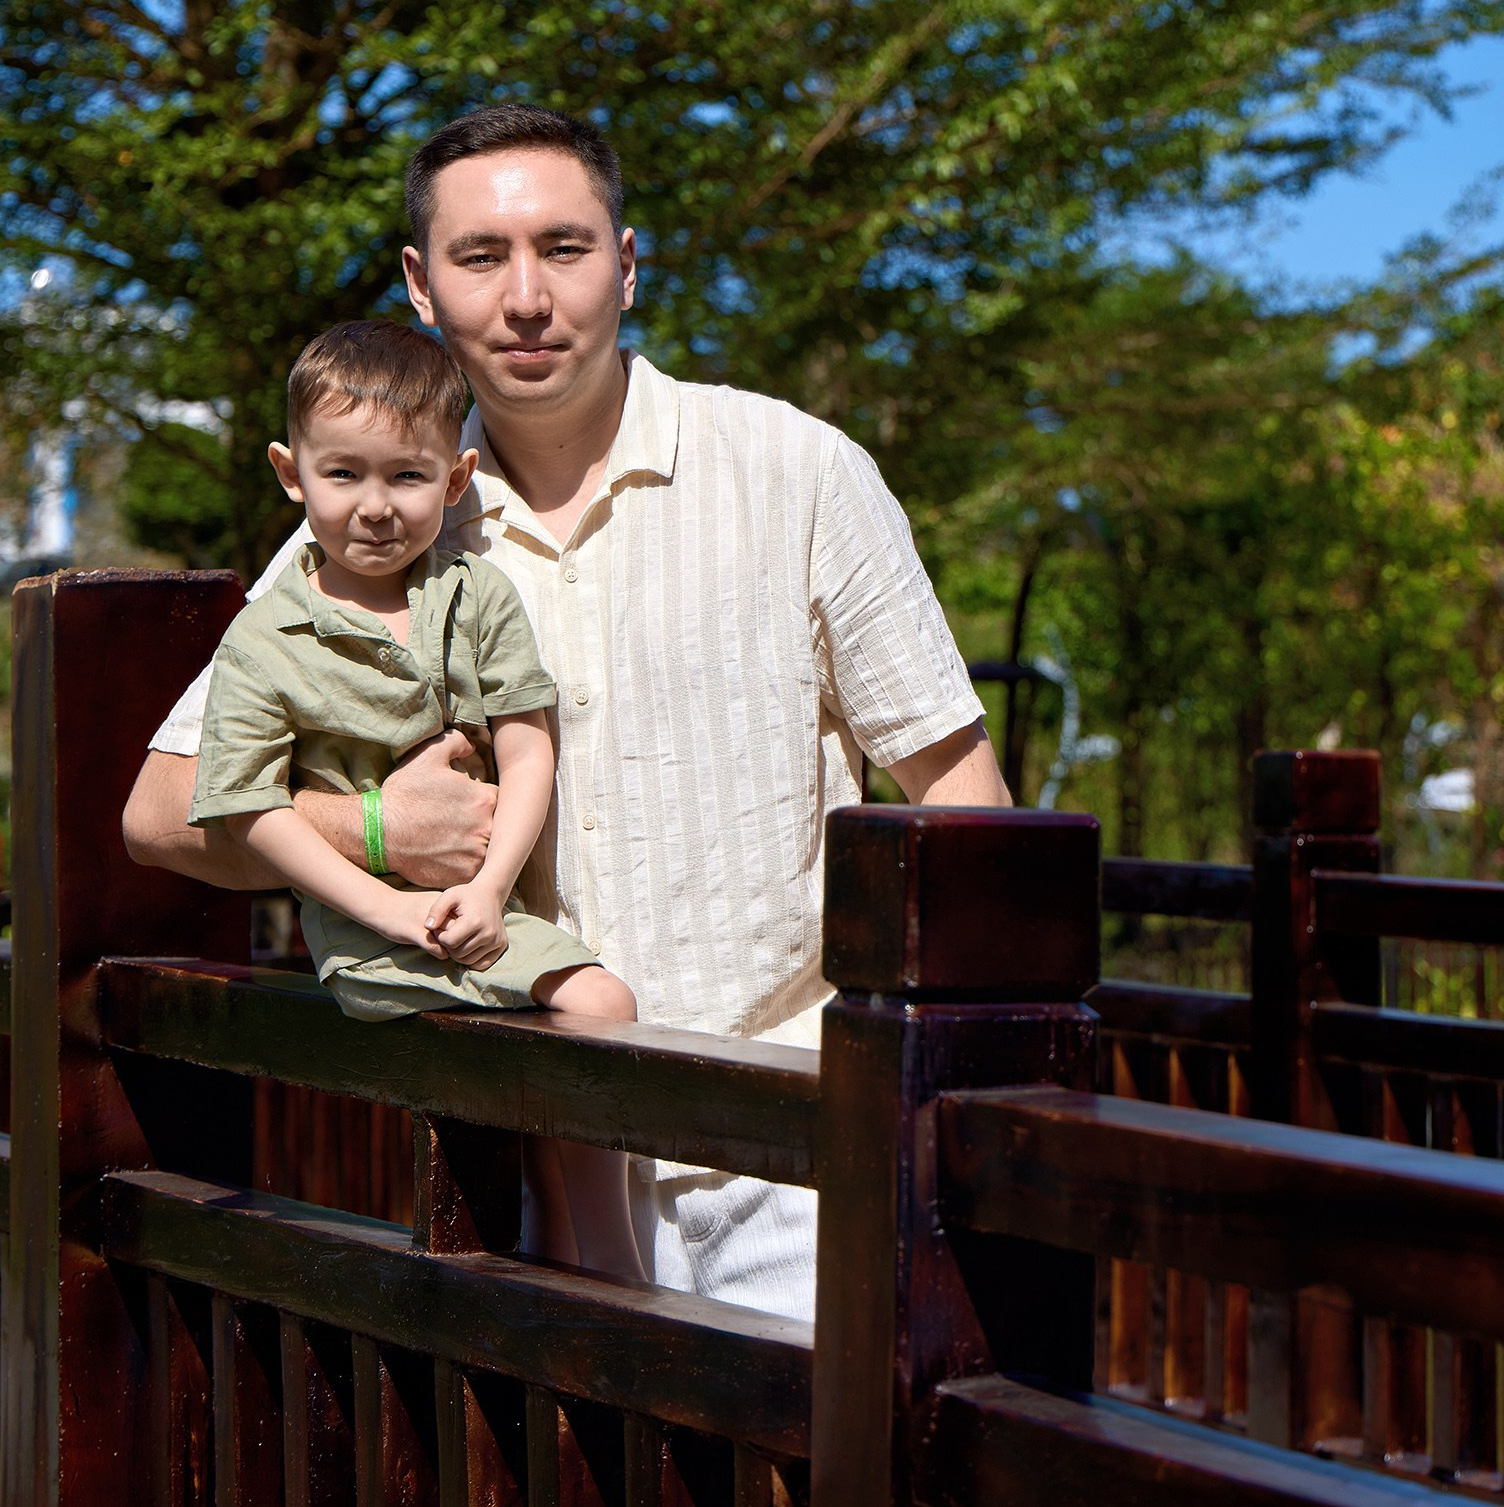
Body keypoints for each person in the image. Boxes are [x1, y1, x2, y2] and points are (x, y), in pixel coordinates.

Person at [122, 104, 1009, 1322]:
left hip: (798, 1143)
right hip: (532, 1155)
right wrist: (376, 830)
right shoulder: (381, 526)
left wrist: (958, 1102)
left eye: (566, 248)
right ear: (421, 288)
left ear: (629, 264)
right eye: (481, 258)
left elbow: (964, 803)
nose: (527, 296)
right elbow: (161, 812)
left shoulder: (795, 470)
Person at [189, 319, 642, 1276]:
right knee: (596, 1006)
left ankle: (593, 1258)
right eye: (343, 473)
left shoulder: (473, 597)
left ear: (456, 477)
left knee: (587, 1012)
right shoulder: (266, 639)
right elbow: (248, 806)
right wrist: (387, 899)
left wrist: (487, 892)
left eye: (406, 475)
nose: (376, 505)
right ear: (290, 471)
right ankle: (609, 1273)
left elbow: (529, 752)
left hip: (484, 910)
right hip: (367, 932)